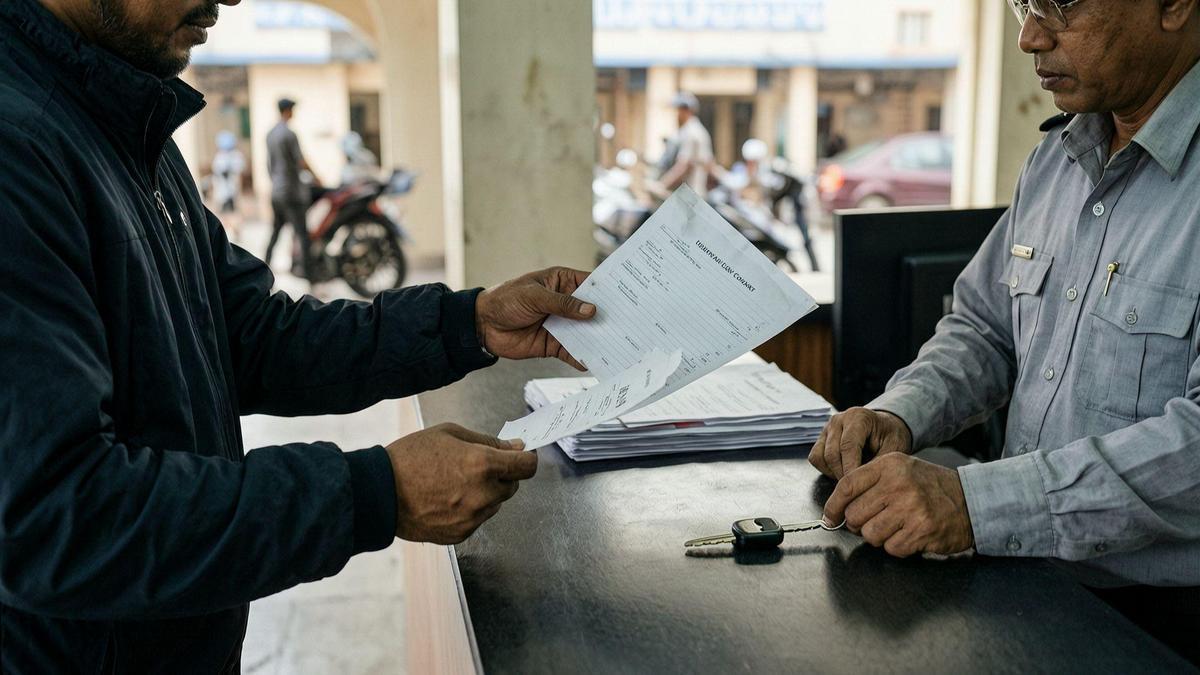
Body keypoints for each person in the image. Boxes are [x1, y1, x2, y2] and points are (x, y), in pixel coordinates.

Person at [0, 0, 597, 671]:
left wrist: (467, 322)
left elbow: (249, 335)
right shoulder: (18, 148)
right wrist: (373, 492)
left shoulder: (124, 123)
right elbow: (53, 518)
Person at [812, 0, 1200, 663]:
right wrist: (899, 414)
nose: (1029, 36)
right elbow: (985, 328)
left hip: (1163, 627)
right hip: (1028, 586)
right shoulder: (1057, 160)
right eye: (1023, 3)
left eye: (1059, 4)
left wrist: (976, 504)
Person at [264, 96, 320, 278]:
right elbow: (301, 161)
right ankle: (310, 275)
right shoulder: (289, 134)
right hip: (292, 191)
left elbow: (269, 165)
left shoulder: (270, 134)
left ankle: (264, 267)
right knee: (302, 235)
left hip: (277, 191)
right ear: (288, 111)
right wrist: (317, 178)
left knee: (276, 232)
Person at [659, 91, 714, 198]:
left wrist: (662, 185)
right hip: (691, 195)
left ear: (686, 110)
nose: (677, 114)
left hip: (690, 196)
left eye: (678, 110)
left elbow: (683, 166)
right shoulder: (691, 130)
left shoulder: (692, 132)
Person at [211, 129, 245, 234]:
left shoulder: (220, 157)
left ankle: (230, 231)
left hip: (224, 191)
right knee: (232, 212)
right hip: (230, 190)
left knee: (226, 213)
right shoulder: (235, 156)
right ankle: (234, 230)